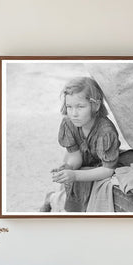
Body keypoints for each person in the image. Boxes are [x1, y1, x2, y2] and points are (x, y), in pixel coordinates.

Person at [51, 77, 120, 212]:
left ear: (95, 106)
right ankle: (56, 200)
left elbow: (108, 170)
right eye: (69, 107)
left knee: (89, 186)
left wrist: (75, 175)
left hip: (102, 166)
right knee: (70, 178)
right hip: (82, 161)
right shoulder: (69, 123)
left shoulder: (105, 132)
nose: (73, 114)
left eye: (80, 107)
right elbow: (76, 156)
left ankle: (73, 207)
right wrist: (68, 168)